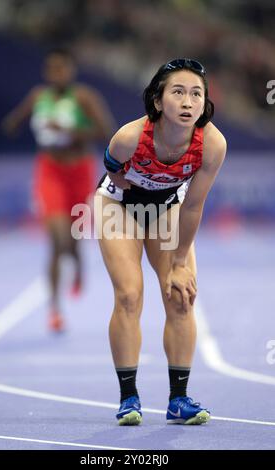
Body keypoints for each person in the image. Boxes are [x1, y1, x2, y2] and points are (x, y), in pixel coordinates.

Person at [95, 58, 226, 425]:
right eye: (178, 92)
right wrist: (127, 186)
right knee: (129, 295)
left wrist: (181, 262)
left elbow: (193, 206)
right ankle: (128, 398)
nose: (188, 102)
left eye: (196, 94)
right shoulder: (129, 137)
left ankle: (178, 399)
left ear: (204, 103)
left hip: (168, 208)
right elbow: (111, 168)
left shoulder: (212, 144)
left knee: (181, 296)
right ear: (157, 100)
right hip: (118, 205)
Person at [2, 47, 116, 332]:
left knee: (73, 240)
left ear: (71, 71)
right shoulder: (38, 97)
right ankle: (54, 309)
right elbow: (11, 123)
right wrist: (19, 124)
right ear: (46, 72)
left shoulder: (84, 97)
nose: (57, 75)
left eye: (62, 69)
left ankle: (78, 266)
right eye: (52, 70)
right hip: (49, 172)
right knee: (57, 241)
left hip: (79, 172)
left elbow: (108, 132)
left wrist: (69, 132)